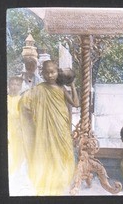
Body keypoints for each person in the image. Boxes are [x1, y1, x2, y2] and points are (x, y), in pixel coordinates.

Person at [19, 60, 79, 195]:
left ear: (57, 72)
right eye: (46, 73)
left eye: (52, 72)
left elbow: (75, 103)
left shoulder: (61, 88)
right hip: (46, 127)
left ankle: (62, 180)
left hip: (61, 125)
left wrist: (73, 84)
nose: (50, 75)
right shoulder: (39, 89)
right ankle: (49, 181)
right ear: (43, 73)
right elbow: (25, 101)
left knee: (63, 150)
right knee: (49, 151)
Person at [7, 77, 25, 175]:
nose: (15, 87)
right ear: (9, 85)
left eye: (17, 85)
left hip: (18, 131)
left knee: (19, 155)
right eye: (13, 84)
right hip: (8, 130)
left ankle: (16, 174)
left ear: (20, 87)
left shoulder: (22, 100)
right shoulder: (5, 99)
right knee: (9, 154)